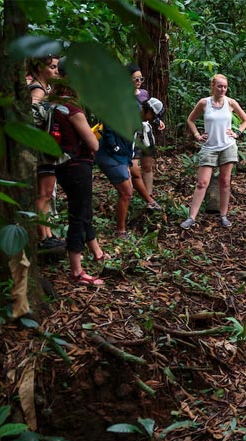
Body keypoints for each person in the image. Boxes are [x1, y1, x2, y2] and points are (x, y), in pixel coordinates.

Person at [51, 63, 105, 285]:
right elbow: (94, 144)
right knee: (78, 215)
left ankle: (94, 252)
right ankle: (76, 271)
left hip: (61, 164)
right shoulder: (72, 109)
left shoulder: (52, 104)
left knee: (81, 210)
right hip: (77, 165)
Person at [181, 74, 246, 230]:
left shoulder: (230, 103)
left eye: (225, 86)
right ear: (212, 86)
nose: (223, 89)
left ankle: (223, 215)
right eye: (219, 86)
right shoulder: (204, 103)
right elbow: (190, 119)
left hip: (227, 146)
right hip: (209, 147)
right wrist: (197, 135)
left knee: (225, 182)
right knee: (202, 183)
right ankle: (191, 217)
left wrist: (237, 132)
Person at [95, 97, 164, 239]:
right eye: (153, 117)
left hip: (122, 155)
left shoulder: (139, 119)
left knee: (134, 175)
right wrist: (113, 145)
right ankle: (121, 231)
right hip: (110, 154)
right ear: (148, 111)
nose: (151, 120)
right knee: (126, 192)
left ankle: (150, 202)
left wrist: (127, 160)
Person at [27, 55, 63, 250]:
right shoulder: (38, 89)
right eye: (52, 67)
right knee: (44, 193)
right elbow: (32, 112)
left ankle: (48, 233)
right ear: (40, 67)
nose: (56, 70)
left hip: (46, 145)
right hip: (41, 147)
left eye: (57, 67)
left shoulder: (45, 88)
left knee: (47, 193)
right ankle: (43, 235)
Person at [128, 65, 164, 211]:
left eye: (140, 78)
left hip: (146, 132)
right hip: (132, 133)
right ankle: (129, 197)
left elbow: (149, 111)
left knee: (148, 166)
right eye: (135, 79)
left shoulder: (144, 93)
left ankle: (149, 198)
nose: (138, 81)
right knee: (133, 167)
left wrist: (157, 121)